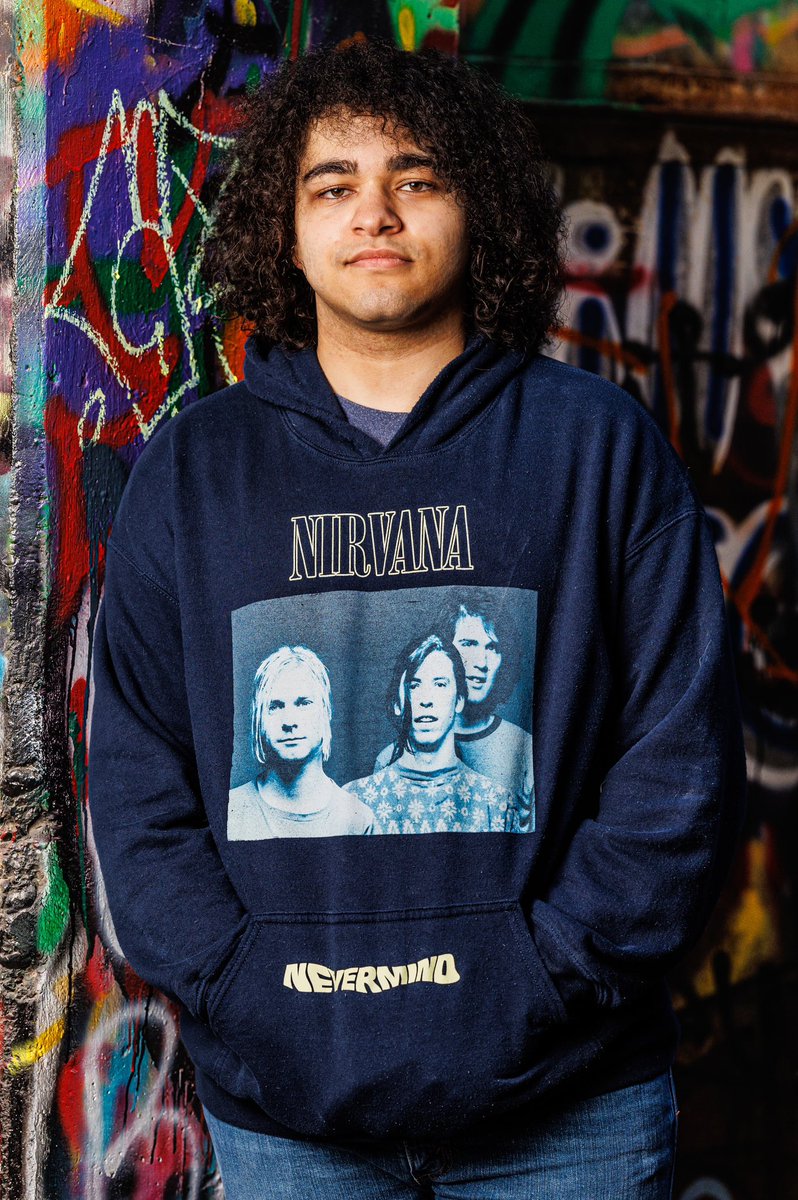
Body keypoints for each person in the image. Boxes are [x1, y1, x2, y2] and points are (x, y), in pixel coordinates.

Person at [88, 38, 746, 1200]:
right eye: (331, 185)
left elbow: (680, 764)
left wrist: (544, 977)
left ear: (476, 205)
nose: (374, 212)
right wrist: (241, 982)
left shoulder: (594, 448)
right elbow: (140, 785)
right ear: (283, 231)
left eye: (417, 178)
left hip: (571, 1109)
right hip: (289, 1113)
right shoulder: (196, 473)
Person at [375, 595, 535, 828]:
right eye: (469, 644)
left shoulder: (524, 749)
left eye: (492, 647)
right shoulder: (390, 759)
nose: (481, 661)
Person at [346, 632, 520, 833]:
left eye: (440, 684)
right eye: (415, 685)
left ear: (459, 701)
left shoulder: (497, 804)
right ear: (397, 703)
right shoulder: (355, 801)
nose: (426, 699)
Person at [228, 644, 377, 838]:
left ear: (326, 712)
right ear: (258, 719)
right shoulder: (231, 810)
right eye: (275, 706)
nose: (289, 721)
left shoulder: (358, 819)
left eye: (303, 703)